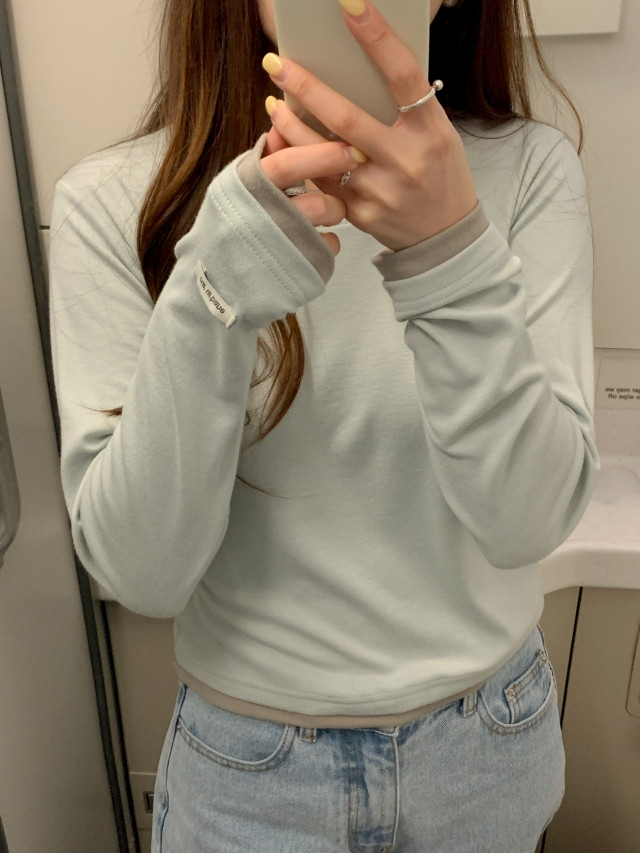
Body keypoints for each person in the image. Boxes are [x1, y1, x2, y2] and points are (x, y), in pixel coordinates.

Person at [49, 0, 600, 849]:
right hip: (249, 765)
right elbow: (141, 572)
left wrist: (451, 253)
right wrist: (212, 293)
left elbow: (528, 520)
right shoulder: (113, 200)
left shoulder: (529, 169)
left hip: (487, 744)